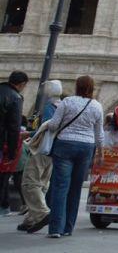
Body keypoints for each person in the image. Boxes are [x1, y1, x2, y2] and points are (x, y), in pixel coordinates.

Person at [45, 75, 103, 238]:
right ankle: (68, 228)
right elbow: (99, 133)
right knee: (76, 188)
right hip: (86, 147)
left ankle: (56, 228)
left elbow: (54, 124)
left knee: (60, 187)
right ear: (92, 88)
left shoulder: (67, 101)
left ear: (77, 86)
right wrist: (101, 152)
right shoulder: (96, 106)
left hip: (65, 145)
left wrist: (47, 125)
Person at [18, 79, 63, 232]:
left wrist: (28, 134)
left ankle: (42, 213)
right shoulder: (62, 106)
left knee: (29, 183)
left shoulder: (50, 107)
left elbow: (47, 128)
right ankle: (31, 219)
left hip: (42, 149)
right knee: (42, 184)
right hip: (53, 151)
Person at [0, 70, 28, 217]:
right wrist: (12, 151)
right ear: (22, 84)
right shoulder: (16, 97)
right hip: (2, 141)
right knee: (2, 176)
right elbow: (13, 127)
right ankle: (2, 208)